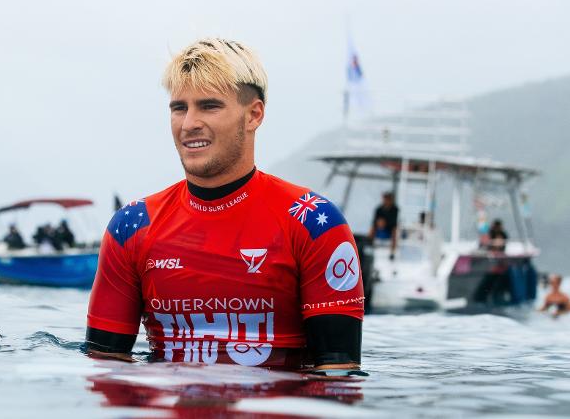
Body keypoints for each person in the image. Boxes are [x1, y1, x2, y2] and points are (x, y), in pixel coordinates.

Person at [86, 38, 364, 373]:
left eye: (209, 106)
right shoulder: (132, 227)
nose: (189, 123)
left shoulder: (313, 223)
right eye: (179, 108)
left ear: (253, 115)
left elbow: (338, 379)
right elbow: (104, 371)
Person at [368, 191, 399, 257]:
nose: (386, 201)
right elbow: (374, 221)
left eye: (388, 199)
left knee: (394, 231)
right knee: (372, 229)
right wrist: (379, 223)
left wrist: (385, 223)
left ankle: (392, 252)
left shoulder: (395, 209)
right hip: (379, 227)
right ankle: (368, 245)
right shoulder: (378, 209)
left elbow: (394, 222)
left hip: (390, 228)